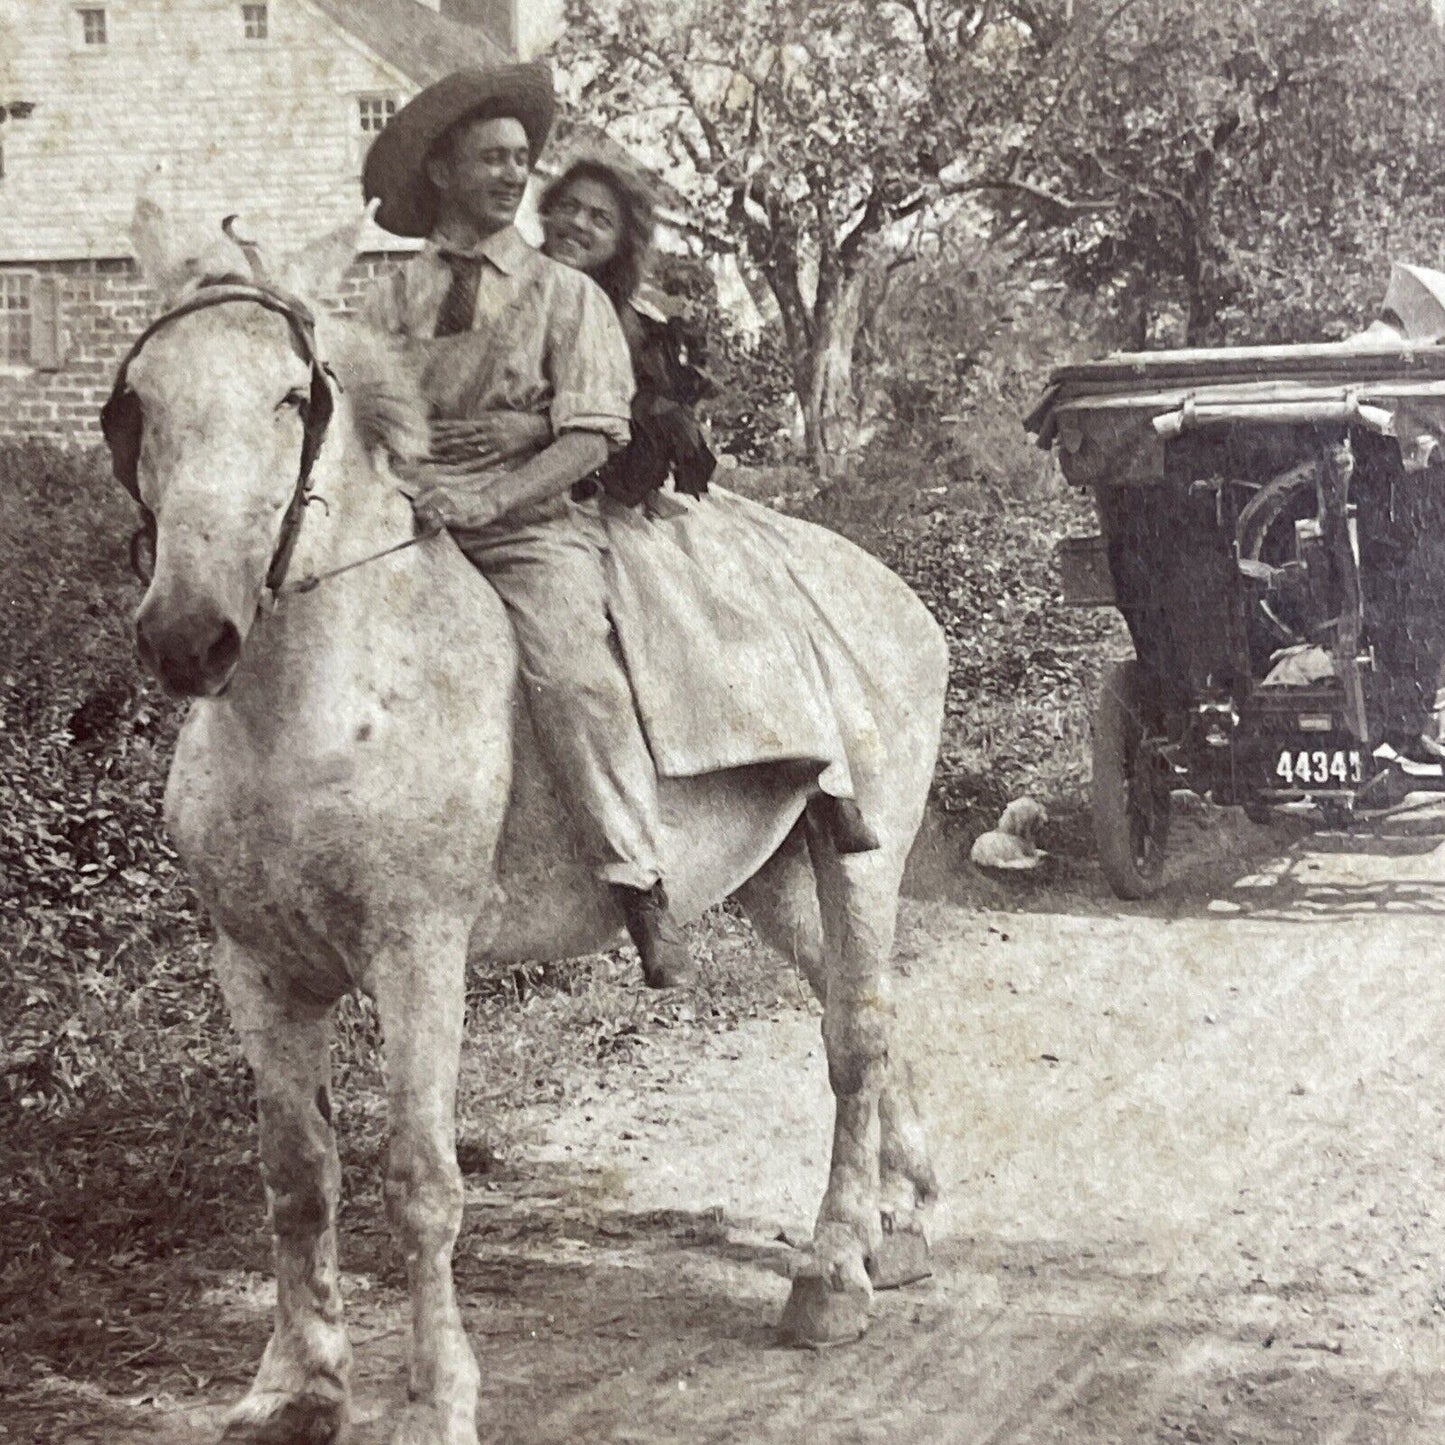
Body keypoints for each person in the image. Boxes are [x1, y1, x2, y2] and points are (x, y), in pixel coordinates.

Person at [361, 63, 695, 990]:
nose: (514, 175)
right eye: (492, 159)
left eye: (521, 160)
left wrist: (487, 497)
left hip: (531, 525)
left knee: (572, 672)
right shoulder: (389, 298)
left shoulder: (564, 294)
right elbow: (364, 421)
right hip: (411, 516)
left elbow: (592, 437)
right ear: (441, 171)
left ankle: (638, 879)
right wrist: (409, 488)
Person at [535, 157, 881, 853]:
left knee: (706, 592)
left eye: (599, 219)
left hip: (609, 492)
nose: (577, 223)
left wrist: (623, 471)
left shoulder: (631, 323)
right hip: (520, 488)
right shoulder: (514, 291)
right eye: (568, 206)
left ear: (621, 240)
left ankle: (806, 764)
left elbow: (647, 427)